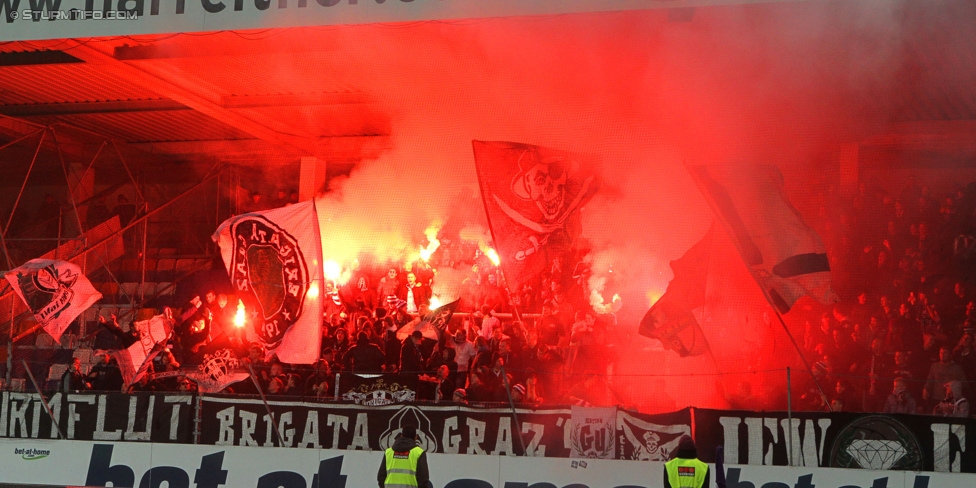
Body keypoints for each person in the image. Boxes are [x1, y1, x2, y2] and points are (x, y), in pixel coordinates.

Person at [377, 424, 430, 488]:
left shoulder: (389, 452)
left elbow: (381, 477)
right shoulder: (419, 453)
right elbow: (423, 479)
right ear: (416, 437)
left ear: (401, 436)